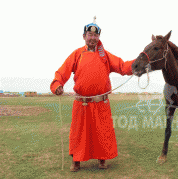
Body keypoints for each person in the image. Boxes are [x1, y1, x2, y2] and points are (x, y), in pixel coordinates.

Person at [50, 17, 135, 172]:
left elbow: (123, 66)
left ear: (98, 38)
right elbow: (62, 72)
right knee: (78, 135)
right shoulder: (77, 54)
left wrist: (137, 64)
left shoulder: (106, 56)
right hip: (81, 104)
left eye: (96, 36)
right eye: (90, 35)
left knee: (102, 134)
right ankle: (76, 161)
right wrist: (57, 85)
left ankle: (102, 160)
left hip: (101, 104)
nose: (93, 38)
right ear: (84, 37)